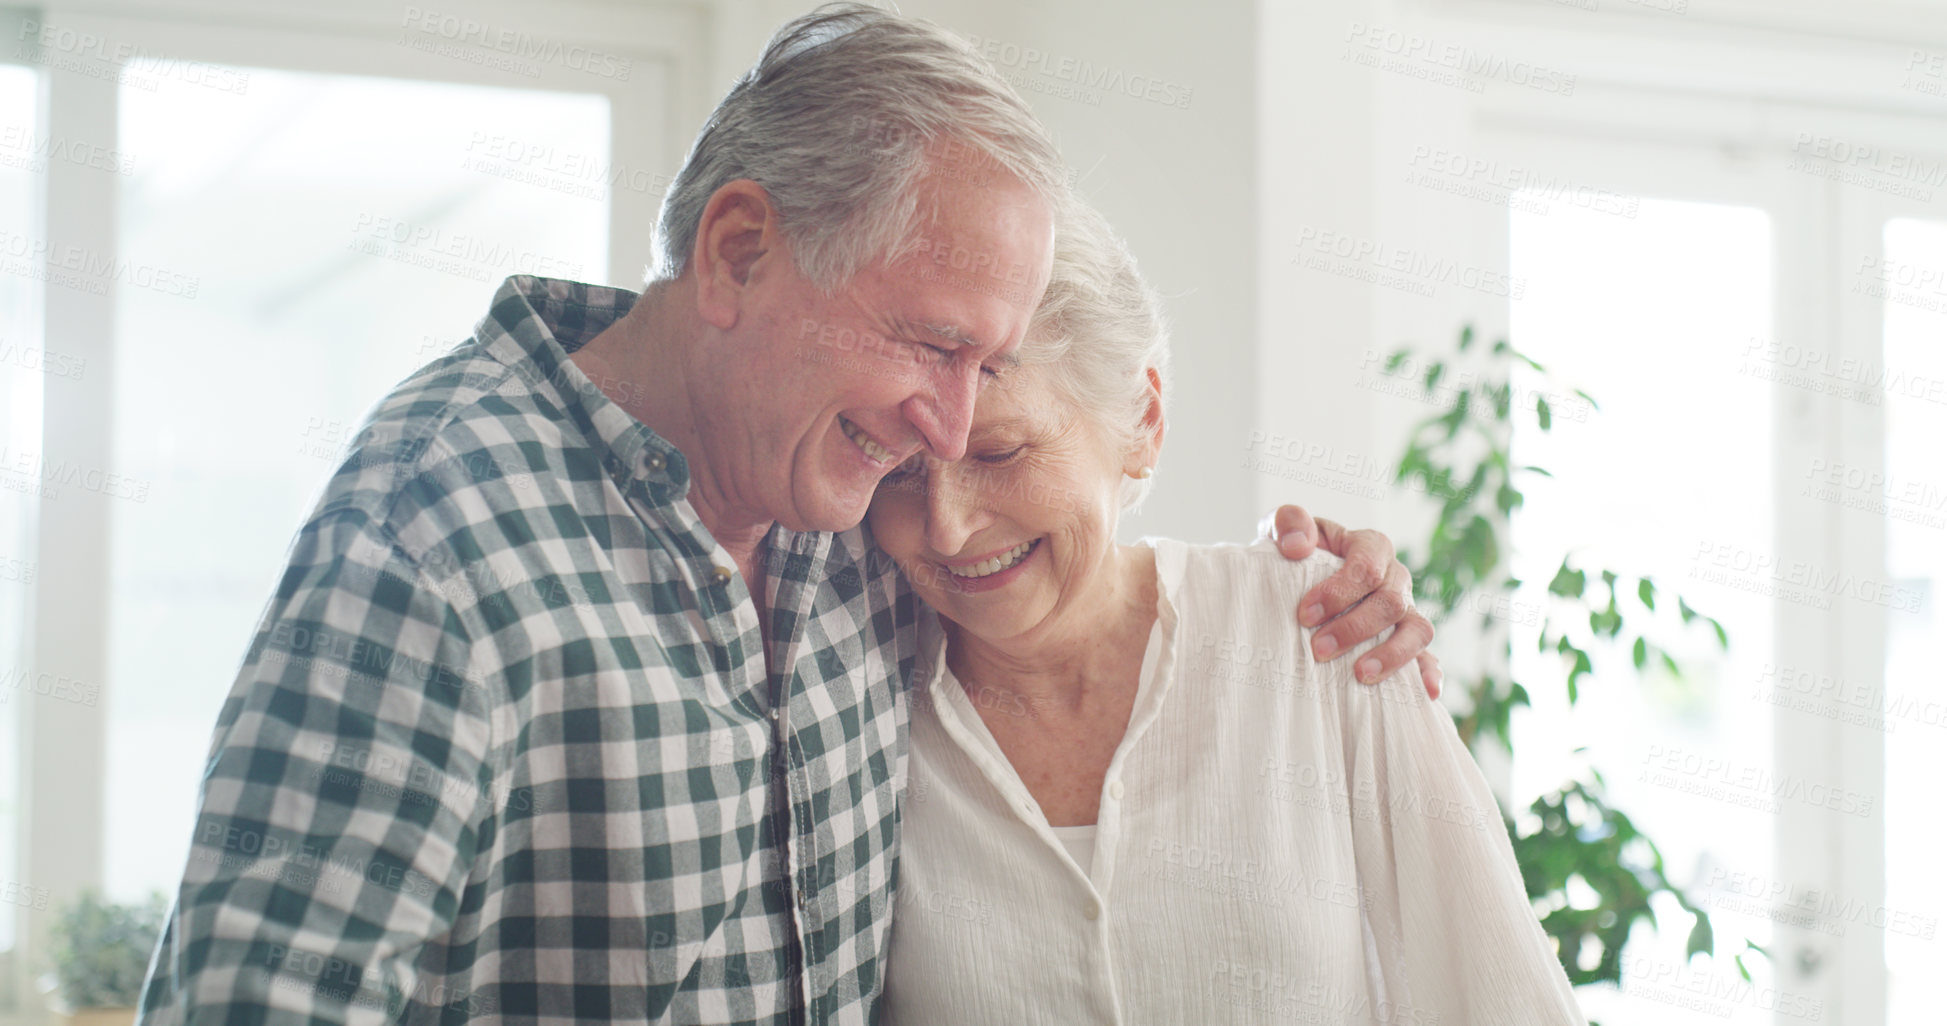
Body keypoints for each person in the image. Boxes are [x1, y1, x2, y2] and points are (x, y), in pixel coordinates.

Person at [136, 5, 1438, 1025]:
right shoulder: (430, 540)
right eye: (928, 344)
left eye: (983, 370)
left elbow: (1061, 568)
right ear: (739, 252)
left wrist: (1312, 589)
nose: (944, 435)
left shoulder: (856, 509)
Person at [871, 201, 1583, 1024]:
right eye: (897, 472)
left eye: (998, 453)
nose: (945, 526)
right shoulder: (856, 695)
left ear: (1141, 423)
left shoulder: (1321, 627)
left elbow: (1498, 996)